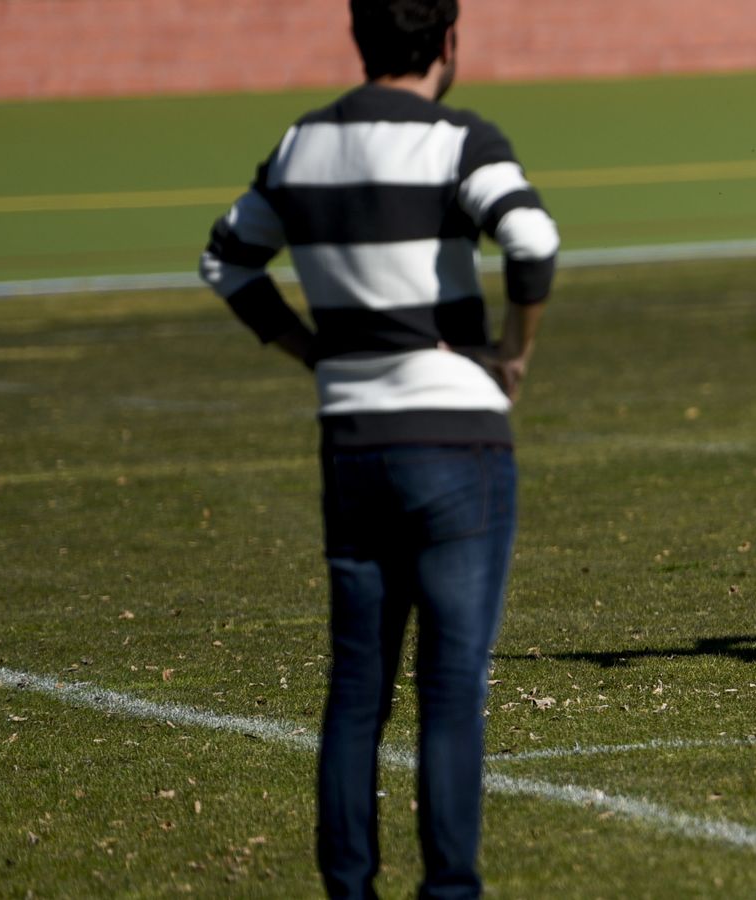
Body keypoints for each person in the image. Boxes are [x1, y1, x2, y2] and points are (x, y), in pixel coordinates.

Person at [197, 1, 560, 895]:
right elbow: (532, 241)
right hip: (459, 439)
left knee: (357, 688)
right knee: (448, 689)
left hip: (352, 444)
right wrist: (513, 353)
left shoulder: (300, 144)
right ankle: (448, 889)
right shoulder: (459, 139)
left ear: (360, 39)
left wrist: (314, 351)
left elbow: (226, 262)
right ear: (447, 41)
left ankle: (349, 887)